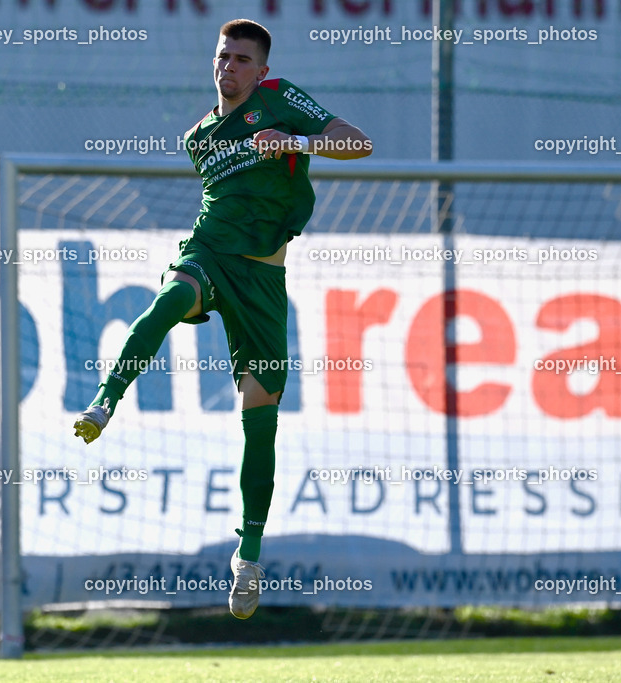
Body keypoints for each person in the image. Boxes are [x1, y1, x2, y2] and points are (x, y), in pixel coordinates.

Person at [73, 18, 372, 619]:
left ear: (261, 71)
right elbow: (222, 202)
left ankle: (248, 556)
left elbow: (357, 142)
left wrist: (296, 143)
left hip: (262, 282)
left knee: (259, 416)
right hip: (209, 254)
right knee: (168, 301)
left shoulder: (279, 100)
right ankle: (104, 401)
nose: (228, 66)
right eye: (223, 56)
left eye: (241, 59)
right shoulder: (199, 138)